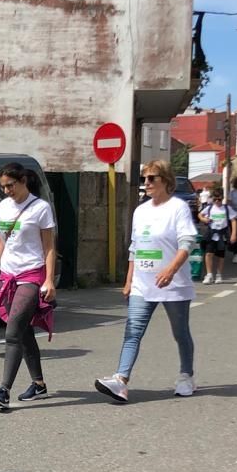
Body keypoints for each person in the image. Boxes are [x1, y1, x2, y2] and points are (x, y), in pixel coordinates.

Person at [95, 160, 197, 403]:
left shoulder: (178, 208)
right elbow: (135, 248)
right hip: (143, 283)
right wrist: (129, 280)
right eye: (144, 179)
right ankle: (121, 380)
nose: (147, 183)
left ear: (166, 181)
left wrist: (171, 271)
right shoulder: (140, 211)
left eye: (152, 178)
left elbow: (187, 242)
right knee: (132, 332)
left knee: (180, 333)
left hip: (172, 284)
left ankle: (186, 376)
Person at [0, 163, 56, 409]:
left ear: (23, 181)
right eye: (3, 187)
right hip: (8, 275)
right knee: (24, 330)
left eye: (10, 185)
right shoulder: (3, 207)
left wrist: (50, 279)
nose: (7, 191)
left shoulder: (40, 208)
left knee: (12, 332)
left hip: (31, 275)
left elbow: (50, 247)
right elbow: (0, 243)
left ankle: (3, 390)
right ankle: (39, 385)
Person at [197, 187, 236, 284]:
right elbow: (200, 214)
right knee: (208, 253)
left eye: (219, 199)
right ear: (212, 199)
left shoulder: (227, 208)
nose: (217, 201)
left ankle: (219, 274)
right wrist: (204, 219)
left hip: (222, 234)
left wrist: (233, 234)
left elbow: (234, 220)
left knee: (220, 255)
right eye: (215, 199)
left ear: (222, 198)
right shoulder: (210, 208)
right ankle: (209, 274)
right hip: (211, 233)